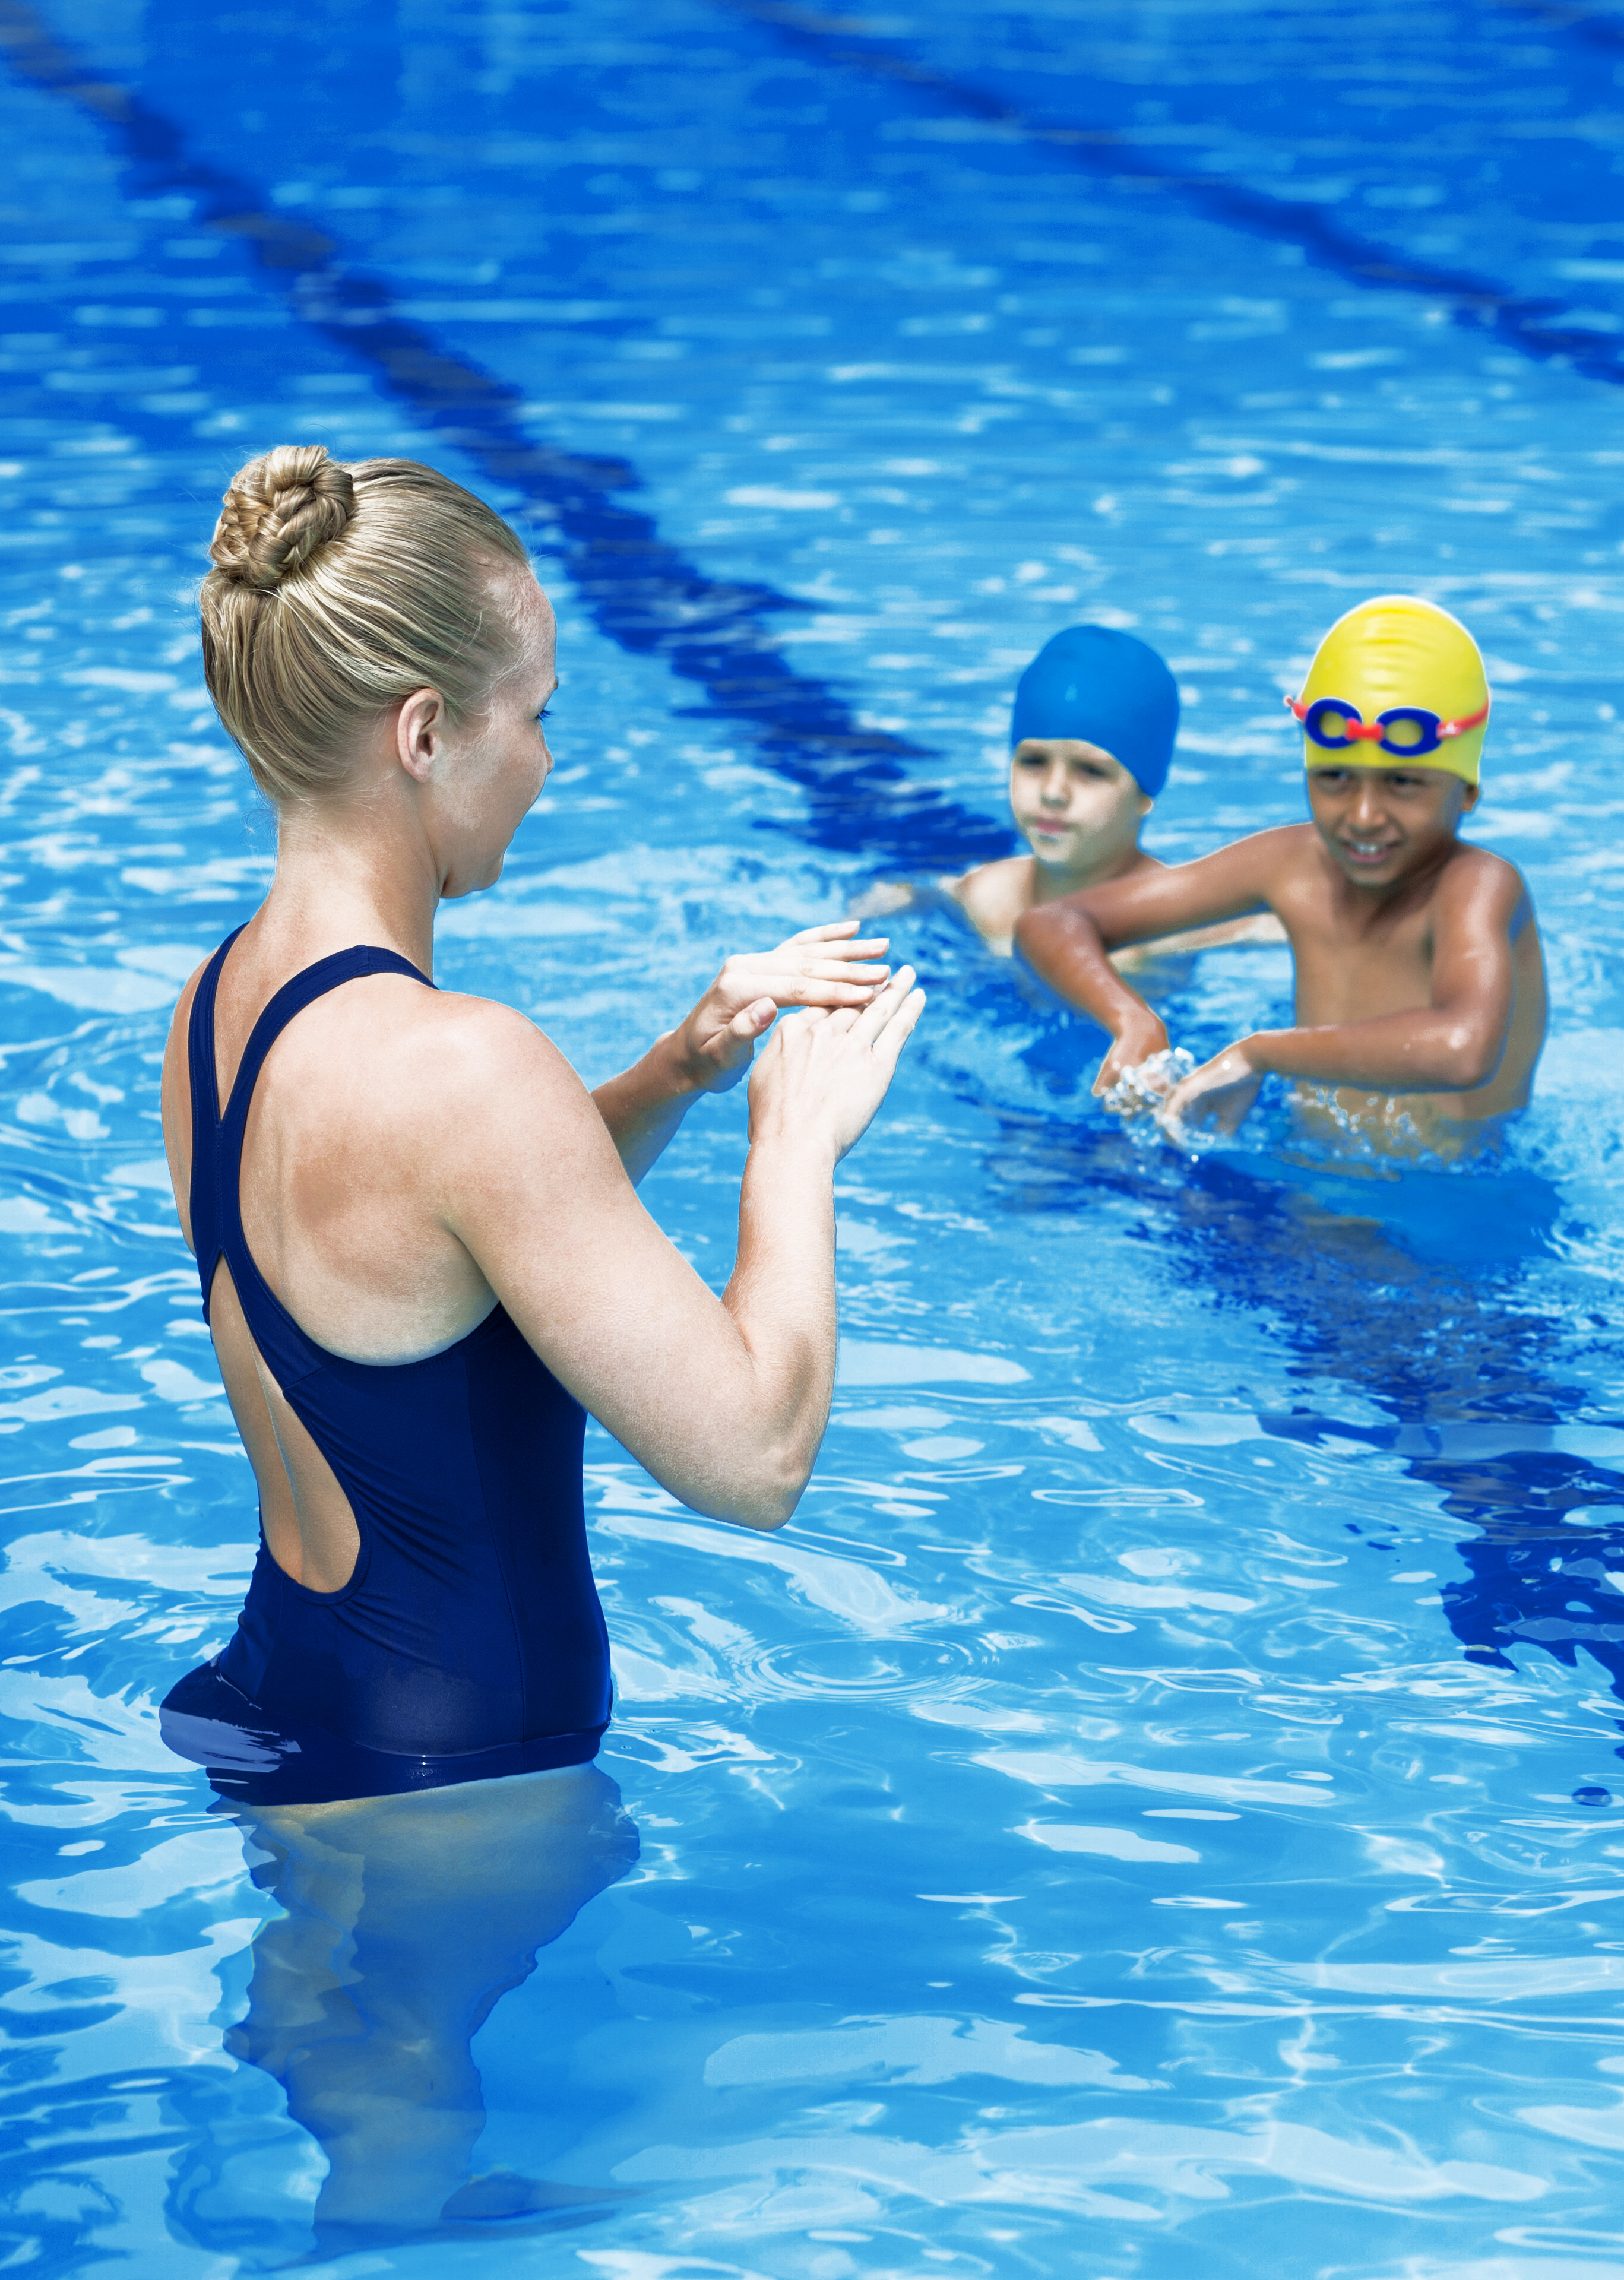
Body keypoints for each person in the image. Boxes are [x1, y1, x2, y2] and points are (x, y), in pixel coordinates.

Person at [155, 445, 922, 2235]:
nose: (547, 766)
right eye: (536, 716)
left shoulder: (216, 1009)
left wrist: (671, 1067)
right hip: (458, 1779)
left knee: (367, 2112)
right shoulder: (463, 1068)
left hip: (287, 1699)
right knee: (409, 2194)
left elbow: (427, 1260)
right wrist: (791, 1143)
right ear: (424, 732)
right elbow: (754, 1456)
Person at [1015, 594, 1544, 1153]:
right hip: (1308, 1180)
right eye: (1335, 778)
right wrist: (1132, 1020)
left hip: (1458, 1218)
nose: (1364, 816)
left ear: (1467, 792)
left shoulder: (1479, 887)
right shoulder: (1293, 864)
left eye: (1403, 783)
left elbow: (1464, 1047)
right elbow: (1051, 923)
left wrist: (1259, 1053)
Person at [853, 623, 1281, 960]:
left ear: (1145, 794)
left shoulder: (1177, 919)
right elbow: (908, 895)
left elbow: (1281, 925)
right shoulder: (983, 898)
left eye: (1092, 771)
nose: (1054, 792)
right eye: (1034, 762)